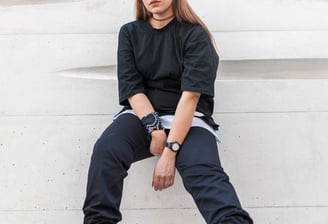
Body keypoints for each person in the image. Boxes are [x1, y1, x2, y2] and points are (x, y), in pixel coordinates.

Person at [83, 0, 253, 223]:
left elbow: (190, 97)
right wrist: (155, 130)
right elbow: (132, 89)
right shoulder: (130, 32)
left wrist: (170, 151)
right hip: (141, 115)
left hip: (188, 118)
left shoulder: (195, 34)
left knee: (203, 172)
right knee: (107, 150)